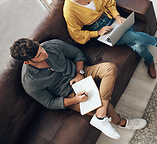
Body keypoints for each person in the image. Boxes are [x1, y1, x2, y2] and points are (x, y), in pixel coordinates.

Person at [10, 38, 147, 140]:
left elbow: (77, 54)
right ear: (27, 62)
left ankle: (100, 117)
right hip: (69, 94)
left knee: (109, 68)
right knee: (100, 104)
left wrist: (79, 73)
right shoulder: (29, 82)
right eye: (39, 55)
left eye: (41, 48)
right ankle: (123, 123)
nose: (44, 52)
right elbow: (50, 102)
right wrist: (75, 99)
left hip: (80, 72)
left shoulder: (52, 45)